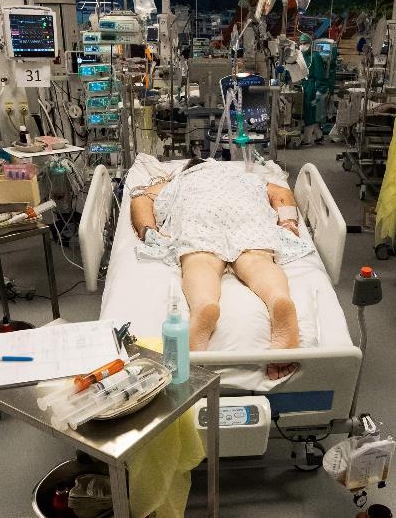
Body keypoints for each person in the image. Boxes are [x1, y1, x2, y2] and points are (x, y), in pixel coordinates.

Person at [129, 157, 312, 379]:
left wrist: (148, 230)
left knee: (200, 262)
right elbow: (281, 193)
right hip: (246, 216)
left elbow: (140, 199)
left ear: (188, 169)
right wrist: (288, 224)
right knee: (257, 261)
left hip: (199, 216)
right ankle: (278, 299)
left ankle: (204, 306)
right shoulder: (247, 177)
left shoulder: (180, 180)